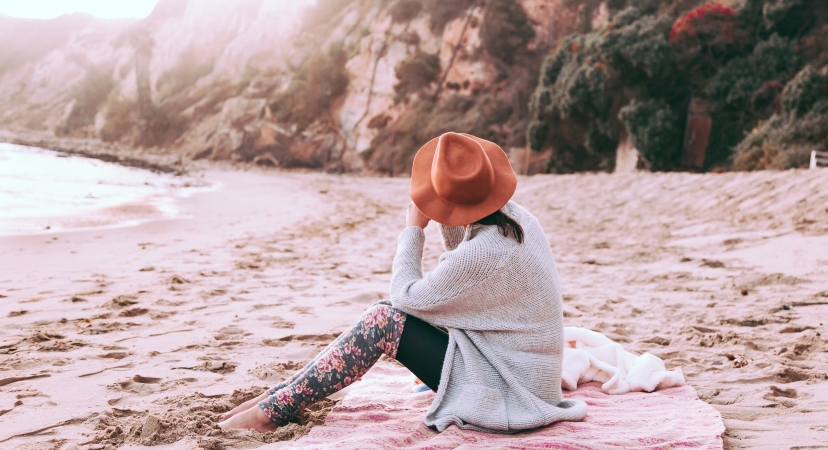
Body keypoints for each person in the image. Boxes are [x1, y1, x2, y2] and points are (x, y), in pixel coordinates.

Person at [218, 132, 588, 433]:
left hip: (509, 387)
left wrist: (413, 231)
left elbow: (405, 297)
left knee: (383, 321)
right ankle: (281, 397)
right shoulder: (517, 218)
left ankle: (273, 411)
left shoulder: (485, 253)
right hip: (518, 368)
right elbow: (458, 283)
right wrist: (448, 214)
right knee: (383, 315)